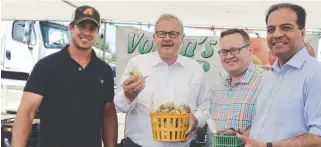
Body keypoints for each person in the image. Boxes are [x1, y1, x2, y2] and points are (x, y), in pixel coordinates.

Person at [237, 3, 321, 147]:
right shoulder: (268, 77)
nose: (277, 34)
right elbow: (268, 124)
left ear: (303, 33)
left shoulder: (319, 75)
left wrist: (268, 146)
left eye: (286, 27)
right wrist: (245, 134)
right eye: (271, 29)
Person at [11, 5, 117, 147]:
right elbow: (26, 112)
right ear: (71, 27)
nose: (87, 32)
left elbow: (108, 116)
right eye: (81, 26)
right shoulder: (46, 66)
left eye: (92, 28)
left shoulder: (104, 71)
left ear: (98, 32)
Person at [114, 14, 211, 147]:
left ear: (182, 38)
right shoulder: (137, 64)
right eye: (162, 33)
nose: (167, 38)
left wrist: (195, 119)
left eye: (173, 34)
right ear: (154, 38)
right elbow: (118, 106)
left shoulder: (195, 69)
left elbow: (205, 106)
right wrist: (128, 95)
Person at [206, 29, 265, 147]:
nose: (228, 56)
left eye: (234, 50)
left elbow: (274, 125)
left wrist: (248, 133)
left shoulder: (267, 82)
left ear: (250, 50)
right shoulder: (217, 86)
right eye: (224, 52)